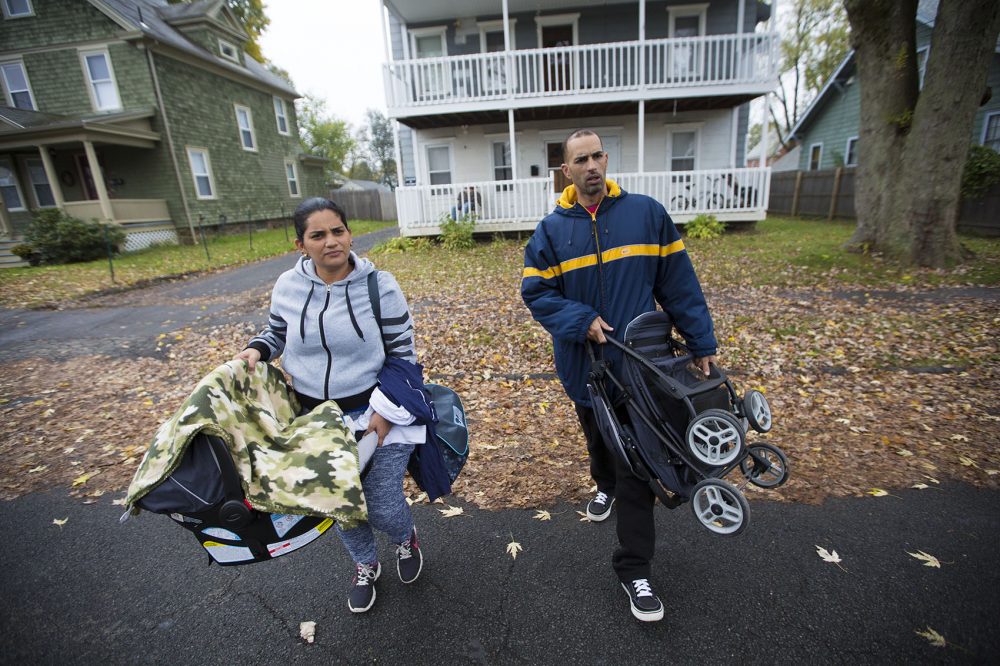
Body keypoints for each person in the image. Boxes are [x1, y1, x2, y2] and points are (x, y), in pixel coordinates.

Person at [521, 129, 717, 622]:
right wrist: (579, 320)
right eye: (579, 160)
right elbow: (536, 295)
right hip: (584, 370)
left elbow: (679, 284)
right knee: (599, 445)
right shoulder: (549, 232)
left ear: (606, 160)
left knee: (637, 464)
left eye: (597, 156)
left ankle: (634, 569)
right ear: (566, 170)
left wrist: (701, 344)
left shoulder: (646, 214)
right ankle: (601, 481)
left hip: (639, 369)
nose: (591, 166)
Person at [235, 197, 425, 614]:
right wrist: (256, 351)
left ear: (349, 233)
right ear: (300, 244)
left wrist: (383, 412)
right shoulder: (287, 285)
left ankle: (405, 538)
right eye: (317, 235)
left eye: (337, 231)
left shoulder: (380, 286)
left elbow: (404, 354)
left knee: (380, 504)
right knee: (339, 501)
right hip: (315, 418)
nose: (330, 242)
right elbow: (276, 333)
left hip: (379, 408)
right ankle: (365, 565)